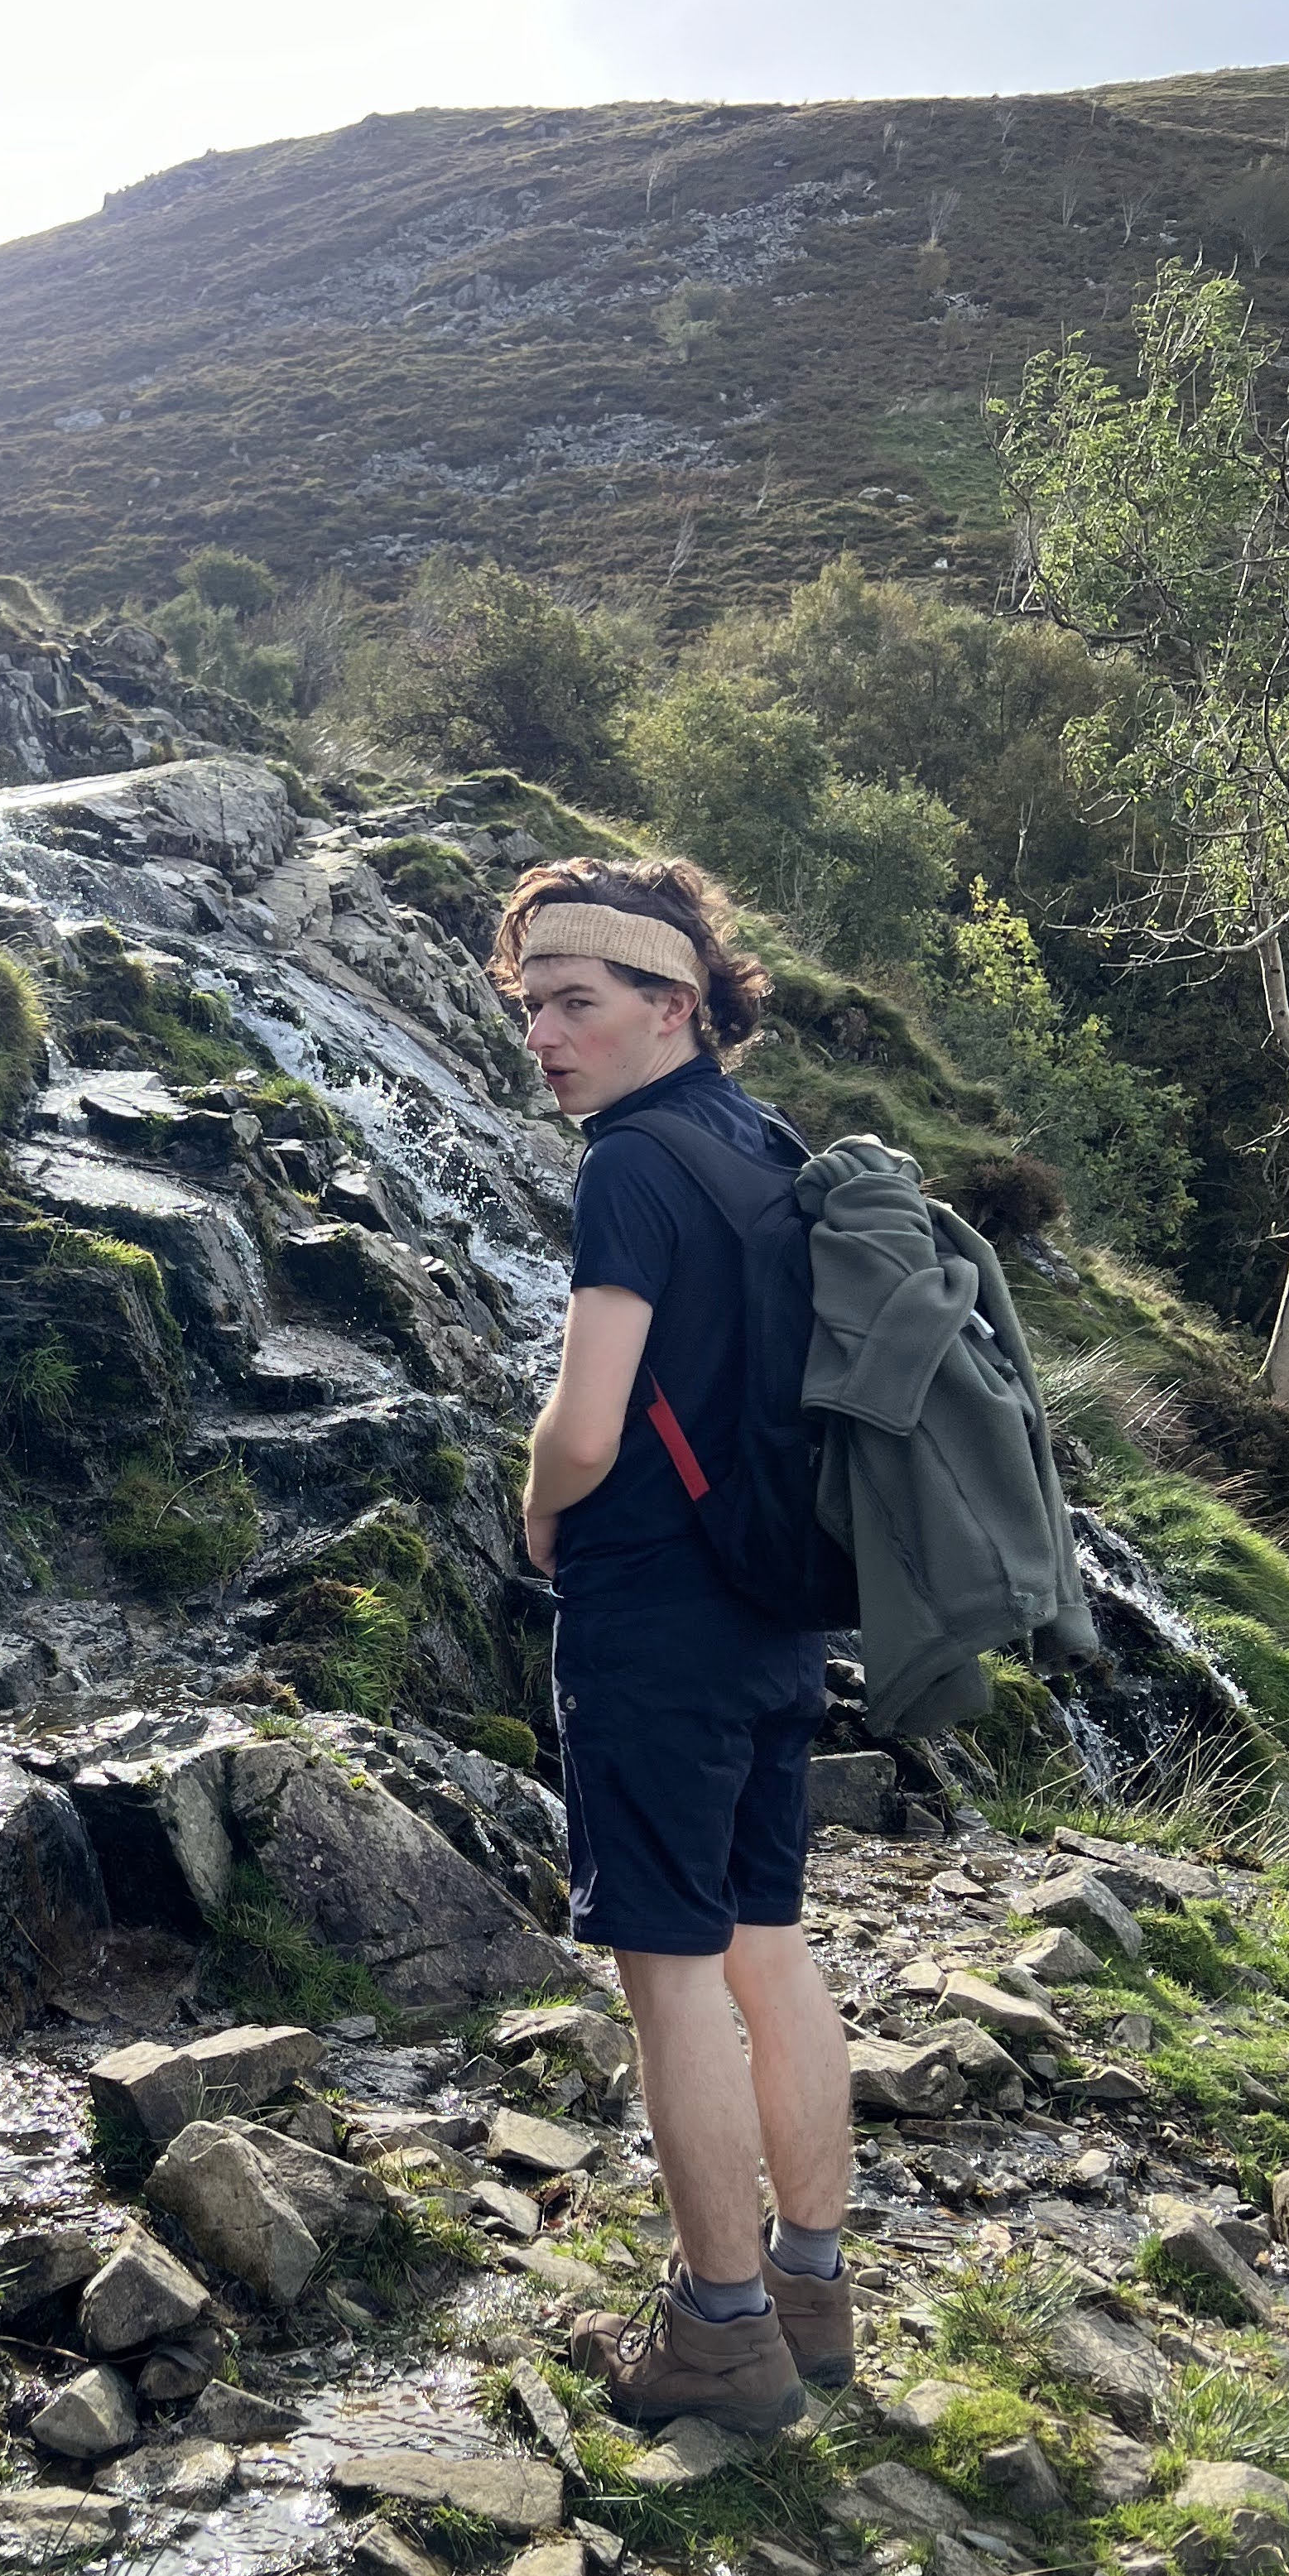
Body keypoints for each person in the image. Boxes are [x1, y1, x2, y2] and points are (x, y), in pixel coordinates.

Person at [493, 854, 854, 2436]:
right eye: (530, 1009)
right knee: (769, 1947)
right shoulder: (759, 1147)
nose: (548, 1038)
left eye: (575, 1004)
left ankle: (718, 2338)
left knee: (672, 1976)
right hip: (776, 1608)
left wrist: (541, 1508)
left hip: (657, 1614)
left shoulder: (632, 1165)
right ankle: (812, 2295)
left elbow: (588, 1416)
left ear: (671, 1007)